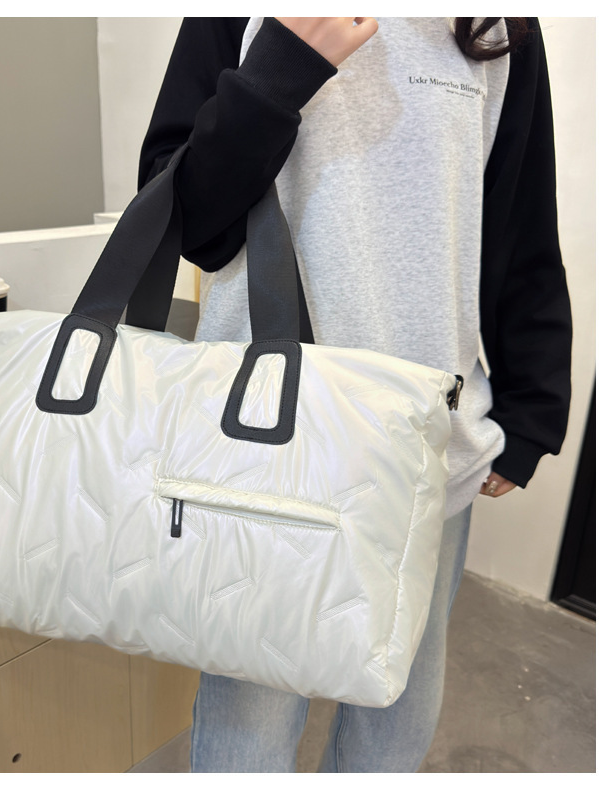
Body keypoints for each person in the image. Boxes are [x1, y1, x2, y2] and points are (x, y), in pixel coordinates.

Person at [137, 17, 572, 773]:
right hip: (264, 441)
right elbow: (187, 222)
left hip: (427, 441)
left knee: (397, 706)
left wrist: (532, 408)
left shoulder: (495, 25)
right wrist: (284, 66)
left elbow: (518, 225)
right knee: (252, 713)